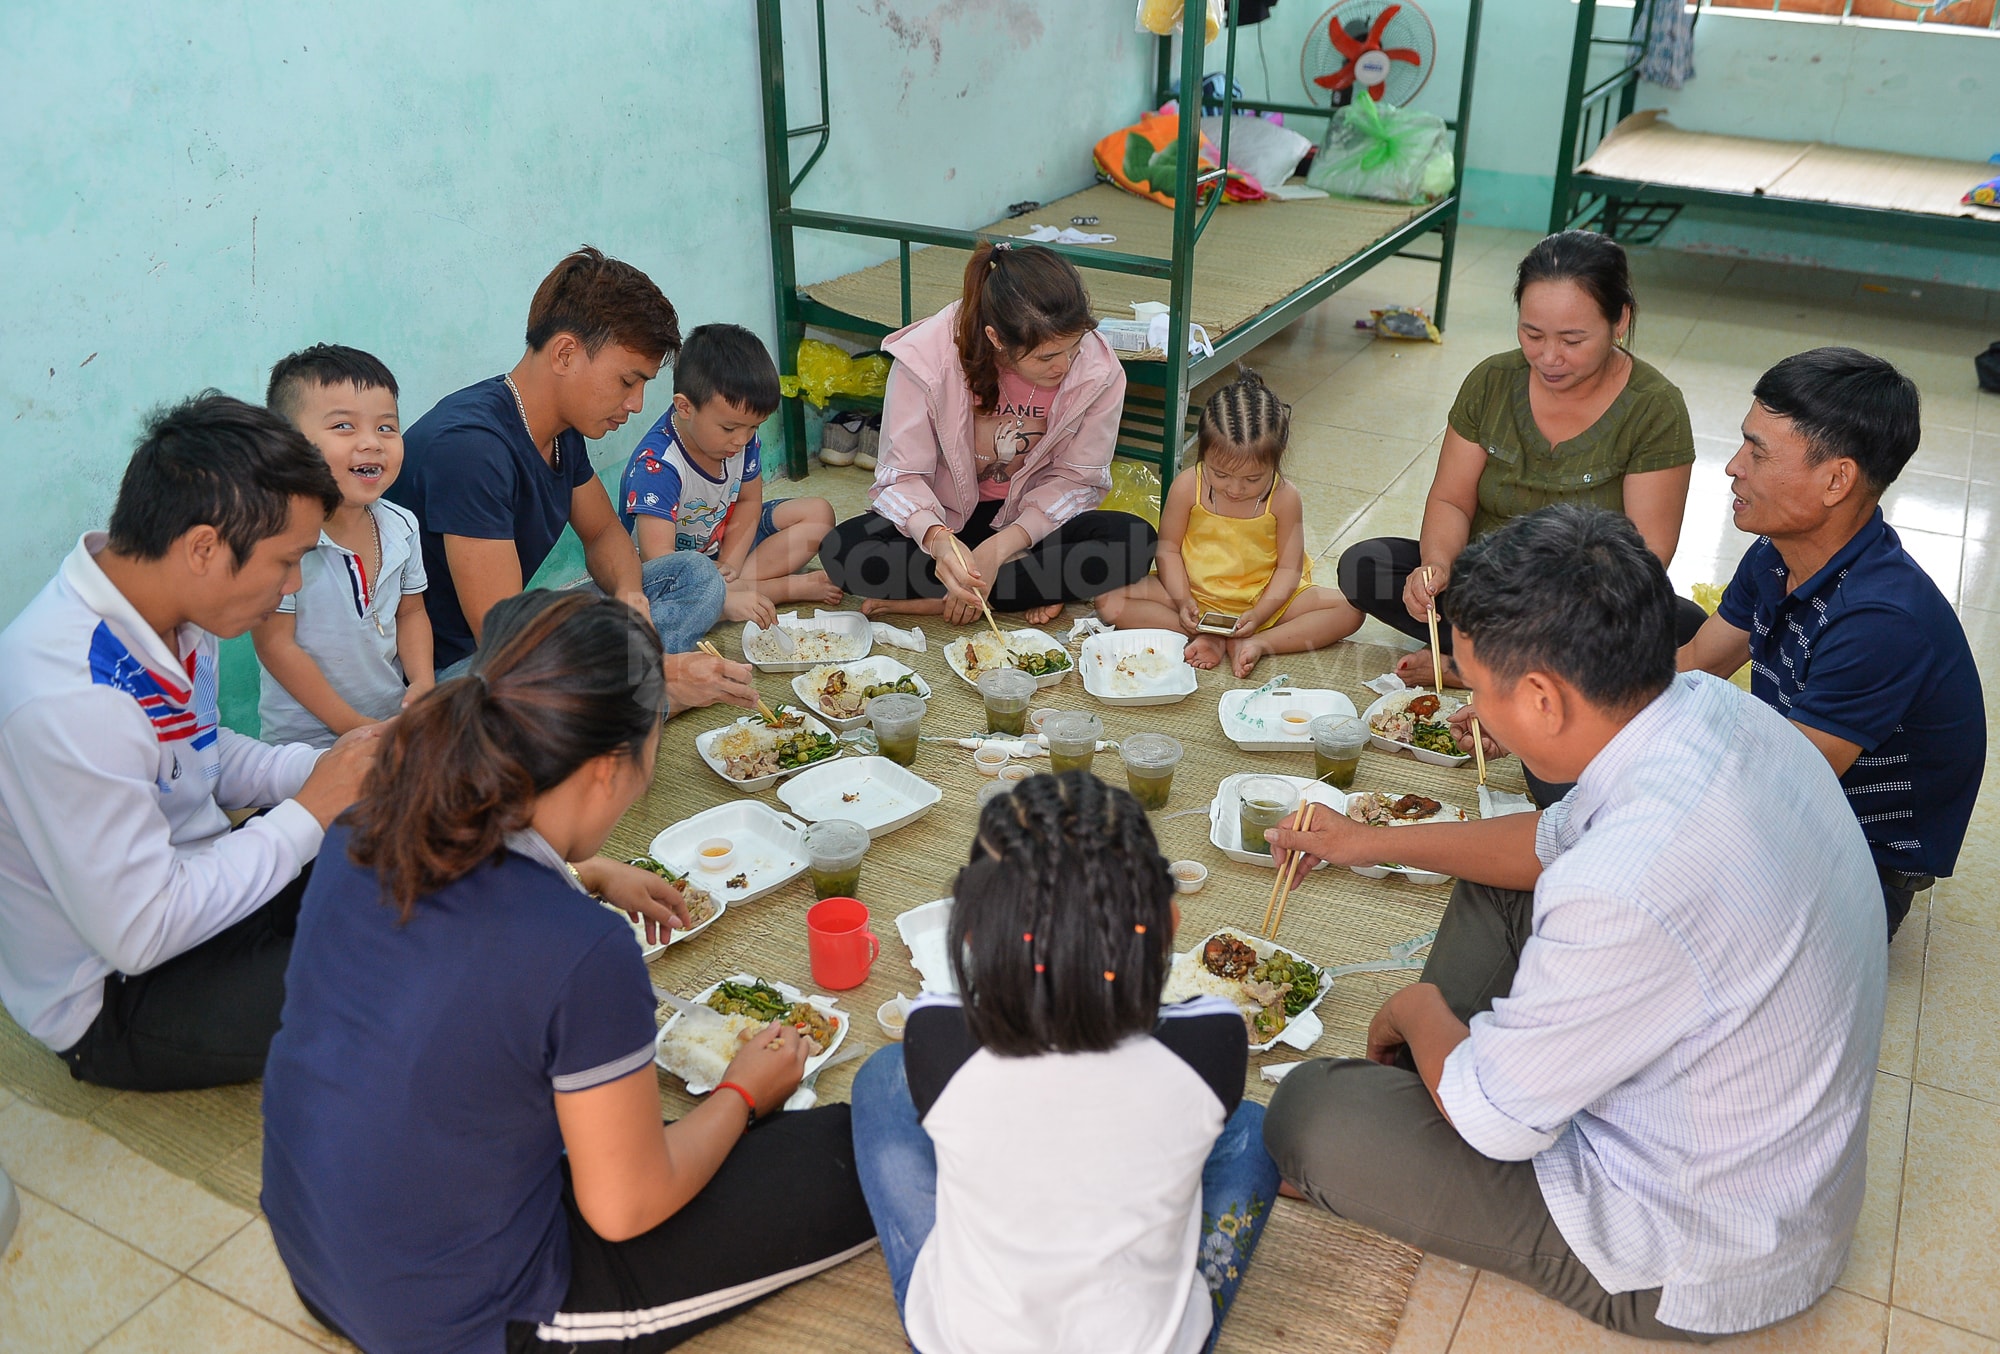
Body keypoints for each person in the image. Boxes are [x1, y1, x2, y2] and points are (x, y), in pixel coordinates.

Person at [1263, 505, 1886, 1342]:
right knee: (1494, 874)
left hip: (1690, 1250)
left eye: (1481, 689)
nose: (1475, 715)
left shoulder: (1628, 881)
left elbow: (1499, 1127)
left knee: (1312, 1113)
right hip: (1750, 1155)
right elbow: (1547, 846)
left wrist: (1418, 1012)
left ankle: (1447, 1073)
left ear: (1545, 697)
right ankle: (1454, 1073)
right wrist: (1367, 841)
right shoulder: (1704, 705)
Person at [261, 591, 875, 1354]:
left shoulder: (366, 819)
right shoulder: (581, 950)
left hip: (316, 1244)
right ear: (609, 768)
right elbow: (627, 1206)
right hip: (461, 1315)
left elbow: (470, 932)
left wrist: (584, 869)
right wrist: (744, 1093)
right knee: (863, 1148)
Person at [0, 394, 382, 1090]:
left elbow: (201, 753)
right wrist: (311, 810)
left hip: (206, 895)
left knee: (403, 839)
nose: (293, 584)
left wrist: (328, 770)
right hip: (119, 990)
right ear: (204, 547)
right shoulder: (71, 700)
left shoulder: (172, 610)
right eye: (287, 561)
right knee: (399, 980)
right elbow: (141, 930)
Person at [850, 771, 1278, 1354]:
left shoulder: (936, 1033)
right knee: (1251, 1126)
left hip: (969, 1340)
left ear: (971, 935)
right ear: (1169, 925)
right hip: (1147, 1343)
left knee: (881, 1077)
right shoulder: (1213, 1041)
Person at [1679, 348, 1984, 939]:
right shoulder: (1776, 552)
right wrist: (1567, 703)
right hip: (1785, 800)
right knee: (1653, 635)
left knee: (1612, 858)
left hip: (1852, 864)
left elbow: (1781, 784)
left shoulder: (1881, 618)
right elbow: (1695, 661)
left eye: (1757, 452)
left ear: (1836, 480)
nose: (1733, 467)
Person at [389, 245, 754, 714]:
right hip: (456, 674)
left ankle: (633, 689)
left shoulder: (561, 429)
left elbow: (603, 532)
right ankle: (646, 695)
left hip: (518, 636)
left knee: (695, 576)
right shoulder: (470, 450)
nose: (637, 404)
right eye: (627, 381)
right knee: (526, 704)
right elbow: (504, 639)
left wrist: (628, 593)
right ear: (565, 353)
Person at [1338, 231, 1704, 687]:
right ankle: (1525, 671)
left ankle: (1475, 667)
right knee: (1366, 565)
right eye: (1532, 334)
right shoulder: (1492, 381)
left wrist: (1561, 610)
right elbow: (1451, 500)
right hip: (1486, 589)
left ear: (1620, 320)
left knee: (1689, 630)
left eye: (1572, 340)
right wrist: (1436, 568)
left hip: (1584, 607)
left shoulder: (1655, 407)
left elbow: (1648, 553)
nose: (1548, 357)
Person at [819, 242, 1158, 628]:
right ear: (997, 339)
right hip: (946, 517)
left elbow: (1076, 481)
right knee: (843, 550)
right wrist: (940, 544)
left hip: (1028, 527)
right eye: (1046, 357)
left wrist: (1002, 547)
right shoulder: (926, 358)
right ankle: (995, 587)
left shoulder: (1099, 371)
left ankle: (951, 594)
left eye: (1073, 347)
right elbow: (902, 479)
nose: (1063, 365)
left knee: (1135, 541)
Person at [1095, 369, 1363, 677]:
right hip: (1194, 592)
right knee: (1108, 598)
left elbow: (1289, 569)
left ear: (1277, 460)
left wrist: (1261, 613)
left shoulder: (1285, 498)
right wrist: (1184, 601)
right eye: (1220, 475)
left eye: (1252, 479)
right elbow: (1167, 551)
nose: (1235, 490)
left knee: (1350, 608)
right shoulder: (1187, 486)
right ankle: (1203, 634)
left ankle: (1256, 642)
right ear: (1202, 452)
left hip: (1265, 598)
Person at [254, 344, 435, 747]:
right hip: (304, 746)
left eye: (387, 427)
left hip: (388, 726)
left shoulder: (402, 527)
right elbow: (274, 645)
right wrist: (352, 725)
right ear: (288, 442)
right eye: (344, 427)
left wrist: (422, 681)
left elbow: (412, 613)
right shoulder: (279, 539)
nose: (372, 443)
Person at [619, 323, 840, 629]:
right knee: (659, 607)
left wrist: (731, 566)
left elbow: (749, 502)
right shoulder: (658, 467)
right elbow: (660, 562)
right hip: (673, 569)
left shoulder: (742, 438)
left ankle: (733, 592)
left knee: (819, 515)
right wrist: (714, 579)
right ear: (685, 407)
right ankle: (775, 591)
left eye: (754, 427)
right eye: (729, 428)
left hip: (723, 541)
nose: (742, 440)